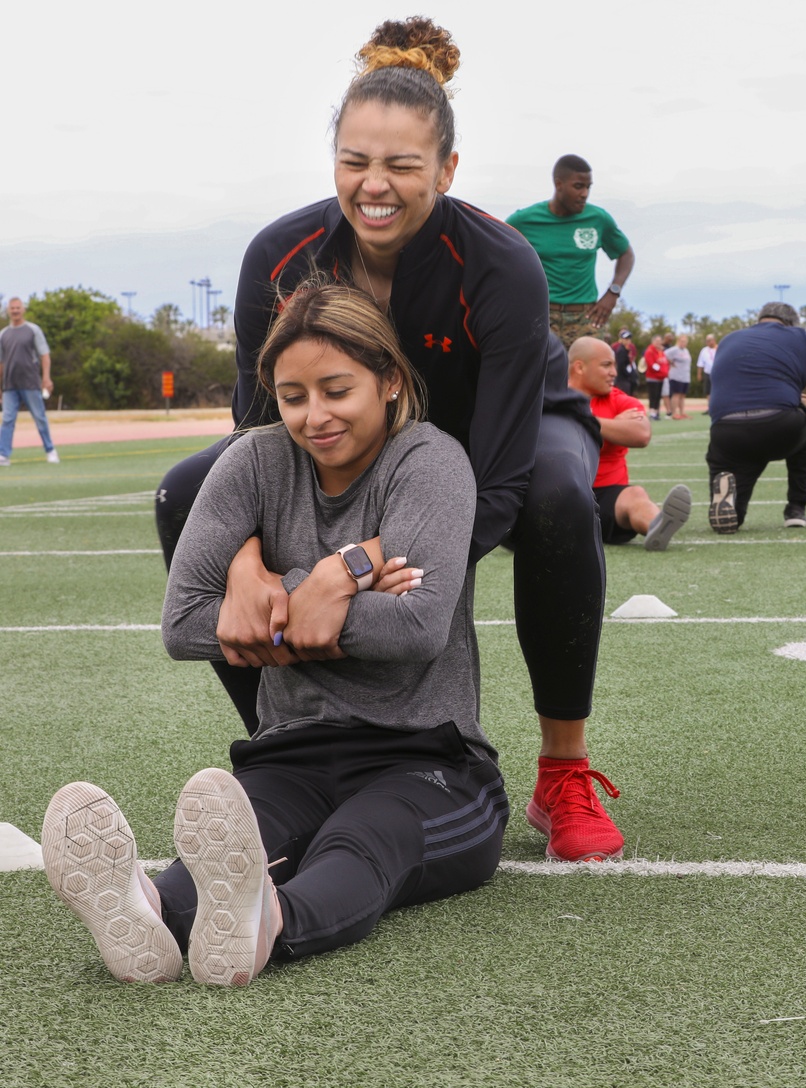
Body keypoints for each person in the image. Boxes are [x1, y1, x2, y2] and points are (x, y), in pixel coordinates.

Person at [153, 18, 624, 864]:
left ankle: (564, 770)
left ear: (446, 169)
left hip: (502, 438)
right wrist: (248, 570)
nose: (376, 186)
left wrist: (361, 575)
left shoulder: (502, 264)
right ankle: (293, 751)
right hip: (361, 441)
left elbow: (501, 481)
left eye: (403, 166)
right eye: (355, 162)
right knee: (187, 490)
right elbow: (257, 444)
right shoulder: (279, 256)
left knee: (557, 500)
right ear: (333, 158)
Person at [42, 283, 509, 986]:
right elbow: (185, 623)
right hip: (290, 751)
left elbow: (417, 626)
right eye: (294, 397)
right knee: (231, 846)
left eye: (336, 390)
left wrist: (285, 591)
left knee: (363, 841)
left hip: (430, 762)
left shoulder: (431, 462)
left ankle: (271, 923)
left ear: (387, 381)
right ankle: (145, 909)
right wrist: (323, 595)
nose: (314, 417)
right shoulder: (252, 462)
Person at [705, 302, 806, 532]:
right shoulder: (800, 337)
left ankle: (731, 509)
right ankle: (796, 508)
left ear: (760, 319)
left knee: (735, 470)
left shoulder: (729, 339)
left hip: (726, 431)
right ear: (791, 324)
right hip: (778, 425)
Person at [567, 337, 691, 550]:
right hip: (562, 494)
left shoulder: (619, 399)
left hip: (608, 496)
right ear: (580, 367)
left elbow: (641, 434)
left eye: (614, 365)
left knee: (635, 495)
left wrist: (586, 420)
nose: (614, 372)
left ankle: (656, 526)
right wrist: (612, 426)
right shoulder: (549, 397)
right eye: (606, 365)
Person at [506, 155, 635, 347]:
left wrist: (613, 293)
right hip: (542, 316)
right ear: (559, 184)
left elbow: (626, 254)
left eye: (588, 187)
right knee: (542, 376)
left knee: (591, 373)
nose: (584, 193)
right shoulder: (524, 220)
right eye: (578, 186)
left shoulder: (598, 219)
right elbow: (495, 254)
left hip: (586, 318)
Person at [0, 297, 59, 466]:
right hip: (10, 385)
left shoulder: (33, 330)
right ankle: (3, 454)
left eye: (18, 308)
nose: (15, 311)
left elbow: (44, 355)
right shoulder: (3, 334)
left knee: (39, 417)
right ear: (8, 311)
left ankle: (50, 450)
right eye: (12, 308)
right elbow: (1, 363)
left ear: (23, 309)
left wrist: (46, 377)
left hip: (31, 383)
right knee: (8, 419)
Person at [664, 334, 692, 419]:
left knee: (683, 395)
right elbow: (664, 354)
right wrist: (671, 363)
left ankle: (682, 412)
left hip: (685, 376)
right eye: (682, 341)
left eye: (685, 341)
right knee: (676, 394)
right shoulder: (674, 349)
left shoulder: (686, 350)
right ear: (678, 341)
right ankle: (674, 413)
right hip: (676, 376)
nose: (684, 343)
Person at [643, 335, 668, 420]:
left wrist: (665, 372)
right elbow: (651, 364)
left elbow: (664, 362)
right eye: (656, 341)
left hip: (661, 378)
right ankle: (652, 412)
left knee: (658, 396)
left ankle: (657, 412)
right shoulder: (649, 351)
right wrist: (661, 370)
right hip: (652, 377)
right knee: (653, 396)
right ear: (653, 342)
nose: (658, 343)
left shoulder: (661, 351)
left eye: (659, 341)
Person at [611, 327, 638, 395]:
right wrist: (628, 374)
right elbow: (621, 366)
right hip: (622, 379)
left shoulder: (626, 349)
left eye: (629, 339)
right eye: (626, 339)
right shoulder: (621, 351)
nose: (628, 341)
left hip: (626, 378)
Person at [696, 334, 717, 415]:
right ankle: (710, 408)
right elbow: (700, 363)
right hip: (708, 373)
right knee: (708, 391)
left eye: (710, 340)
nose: (709, 343)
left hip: (717, 373)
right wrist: (699, 374)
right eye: (707, 341)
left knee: (717, 390)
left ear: (714, 340)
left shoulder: (719, 348)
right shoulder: (704, 350)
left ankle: (717, 407)